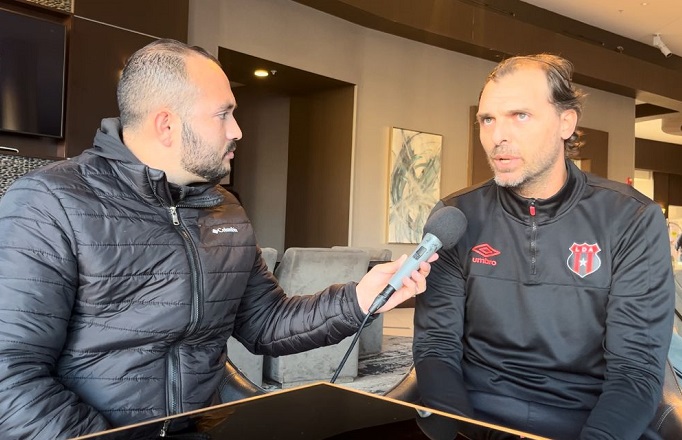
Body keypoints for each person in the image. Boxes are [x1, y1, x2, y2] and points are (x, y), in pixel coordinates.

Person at [0, 39, 435, 439]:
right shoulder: (48, 204)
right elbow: (10, 376)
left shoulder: (224, 208)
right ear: (167, 125)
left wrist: (359, 299)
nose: (237, 131)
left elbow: (266, 323)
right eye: (223, 114)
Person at [413, 54, 675, 440]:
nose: (498, 136)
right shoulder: (456, 216)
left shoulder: (632, 218)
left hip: (585, 419)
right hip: (478, 414)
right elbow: (436, 346)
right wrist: (465, 432)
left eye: (520, 115)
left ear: (566, 123)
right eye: (488, 119)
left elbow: (634, 370)